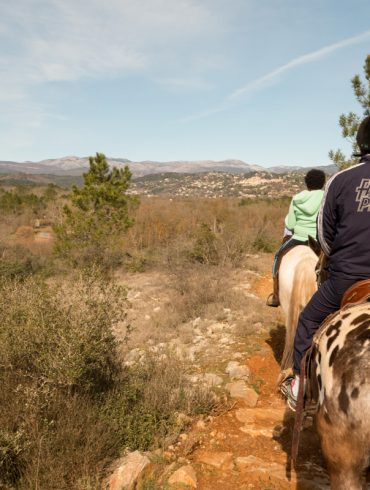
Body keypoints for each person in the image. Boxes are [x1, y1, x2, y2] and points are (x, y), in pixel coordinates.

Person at [281, 115, 370, 410]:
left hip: (348, 279)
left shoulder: (341, 180)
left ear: (360, 143)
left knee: (307, 319)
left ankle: (299, 385)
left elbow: (324, 236)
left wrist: (342, 258)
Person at [266, 169, 326, 307]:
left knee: (278, 257)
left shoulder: (297, 198)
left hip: (298, 238)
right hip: (319, 240)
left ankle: (276, 294)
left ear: (306, 183)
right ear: (323, 183)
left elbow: (290, 224)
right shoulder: (326, 196)